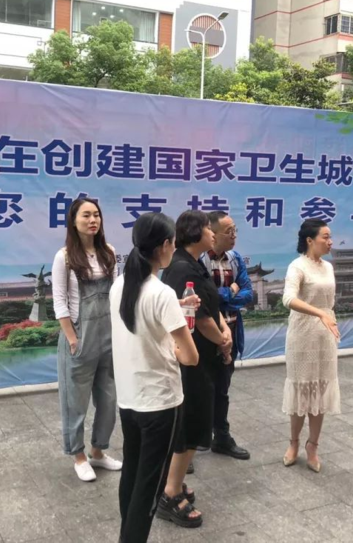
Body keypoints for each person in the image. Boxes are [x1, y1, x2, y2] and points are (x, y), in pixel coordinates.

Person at [110, 212, 200, 543]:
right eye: (173, 243)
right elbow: (190, 356)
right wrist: (174, 343)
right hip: (160, 403)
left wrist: (177, 305)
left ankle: (126, 534)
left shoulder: (120, 285)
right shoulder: (160, 293)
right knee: (149, 487)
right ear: (164, 246)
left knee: (132, 474)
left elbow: (142, 317)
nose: (174, 249)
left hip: (130, 399)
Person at [158, 210, 232, 528]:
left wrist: (223, 329)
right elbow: (198, 320)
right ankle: (170, 494)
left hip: (203, 355)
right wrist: (223, 340)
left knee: (198, 419)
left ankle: (173, 482)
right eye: (207, 228)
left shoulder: (195, 264)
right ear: (193, 232)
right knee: (190, 423)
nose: (212, 233)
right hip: (191, 359)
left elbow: (209, 307)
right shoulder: (180, 268)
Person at [52, 197, 122, 482]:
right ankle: (78, 456)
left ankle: (98, 451)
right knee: (75, 403)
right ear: (73, 220)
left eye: (96, 215)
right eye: (86, 215)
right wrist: (72, 338)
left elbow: (116, 294)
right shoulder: (65, 257)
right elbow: (59, 302)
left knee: (108, 400)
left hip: (108, 335)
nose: (93, 220)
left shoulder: (109, 252)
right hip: (79, 337)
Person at [281, 219, 341, 473]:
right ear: (309, 240)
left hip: (325, 334)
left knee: (321, 388)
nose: (330, 242)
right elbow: (288, 299)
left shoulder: (328, 266)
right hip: (302, 333)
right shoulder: (297, 266)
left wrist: (326, 316)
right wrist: (319, 313)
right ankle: (293, 442)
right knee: (301, 389)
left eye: (330, 237)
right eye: (325, 237)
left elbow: (329, 301)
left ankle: (313, 445)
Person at [198, 211, 252, 461]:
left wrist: (221, 296)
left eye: (235, 231)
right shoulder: (198, 260)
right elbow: (200, 299)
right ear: (212, 233)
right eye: (229, 232)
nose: (234, 236)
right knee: (197, 390)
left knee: (222, 390)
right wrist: (230, 291)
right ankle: (189, 444)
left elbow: (248, 294)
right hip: (204, 335)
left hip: (231, 334)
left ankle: (221, 437)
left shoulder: (235, 258)